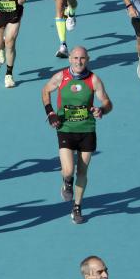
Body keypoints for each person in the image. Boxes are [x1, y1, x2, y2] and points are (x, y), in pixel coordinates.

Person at [41, 46, 112, 224]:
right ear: (70, 59)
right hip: (65, 128)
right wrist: (50, 113)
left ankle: (77, 207)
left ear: (87, 60)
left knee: (83, 171)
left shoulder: (94, 80)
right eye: (75, 58)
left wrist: (101, 110)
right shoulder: (60, 77)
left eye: (82, 58)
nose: (78, 62)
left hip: (87, 129)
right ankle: (66, 181)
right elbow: (45, 91)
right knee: (68, 170)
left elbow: (107, 102)